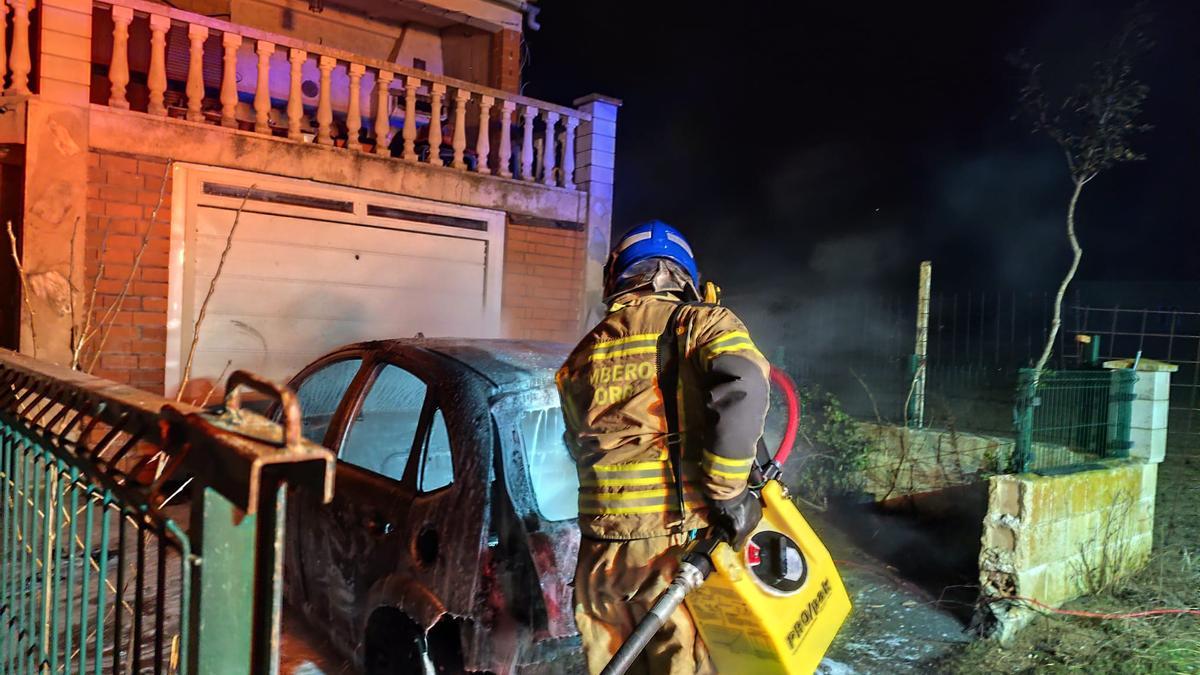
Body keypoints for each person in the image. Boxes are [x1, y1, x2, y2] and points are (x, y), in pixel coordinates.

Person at [556, 220, 771, 675]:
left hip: (599, 559)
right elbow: (745, 383)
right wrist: (729, 492)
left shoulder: (581, 355)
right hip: (670, 551)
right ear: (685, 275)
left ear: (618, 276)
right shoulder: (701, 322)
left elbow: (575, 446)